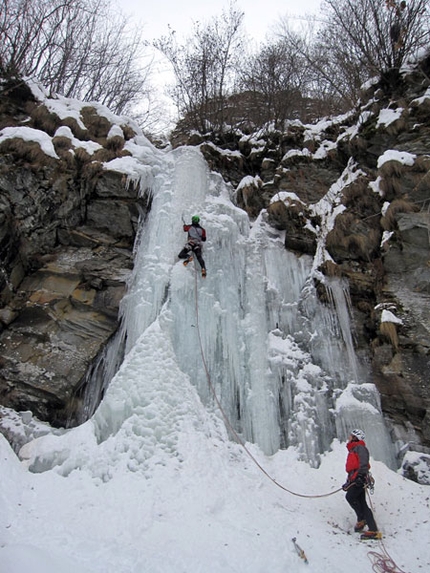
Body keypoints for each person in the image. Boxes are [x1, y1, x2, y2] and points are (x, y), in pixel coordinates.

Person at [342, 429, 381, 540]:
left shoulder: (360, 448)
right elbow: (352, 469)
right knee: (360, 501)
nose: (349, 437)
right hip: (355, 478)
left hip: (359, 478)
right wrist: (348, 482)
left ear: (355, 438)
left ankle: (365, 522)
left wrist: (360, 476)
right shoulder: (353, 449)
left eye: (351, 435)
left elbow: (363, 463)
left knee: (351, 497)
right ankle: (367, 523)